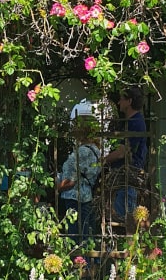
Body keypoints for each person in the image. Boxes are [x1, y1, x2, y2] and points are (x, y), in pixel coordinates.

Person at [103, 85, 148, 220]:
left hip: (129, 175)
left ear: (129, 101)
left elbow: (122, 152)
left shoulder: (136, 123)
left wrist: (103, 160)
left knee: (124, 217)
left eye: (122, 99)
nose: (118, 102)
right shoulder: (129, 121)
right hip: (123, 175)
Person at [56, 115, 101, 243]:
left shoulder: (82, 151)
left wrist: (56, 187)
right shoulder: (95, 150)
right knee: (84, 234)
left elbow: (70, 181)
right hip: (86, 195)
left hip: (75, 197)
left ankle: (78, 262)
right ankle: (84, 261)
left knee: (75, 236)